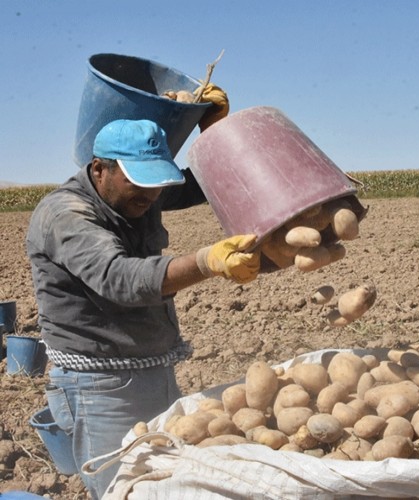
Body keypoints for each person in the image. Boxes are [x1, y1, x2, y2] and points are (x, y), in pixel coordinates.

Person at [25, 87, 257, 499]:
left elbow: (203, 182)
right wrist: (206, 262)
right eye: (139, 185)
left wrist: (215, 131)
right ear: (99, 169)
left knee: (164, 483)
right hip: (100, 385)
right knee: (123, 489)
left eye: (156, 185)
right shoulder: (66, 214)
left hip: (151, 367)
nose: (151, 197)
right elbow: (120, 278)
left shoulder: (136, 194)